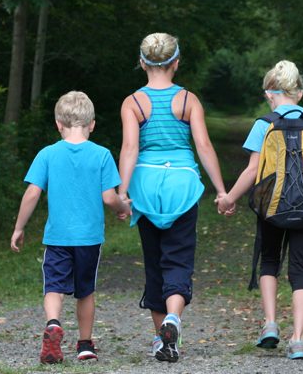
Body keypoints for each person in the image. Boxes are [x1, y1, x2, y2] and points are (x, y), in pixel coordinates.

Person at [117, 32, 228, 363]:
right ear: (176, 63)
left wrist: (123, 193)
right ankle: (173, 320)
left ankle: (163, 340)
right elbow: (204, 146)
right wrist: (221, 190)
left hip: (146, 187)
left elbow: (129, 149)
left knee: (154, 263)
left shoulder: (133, 103)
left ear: (142, 63)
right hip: (182, 185)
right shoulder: (188, 100)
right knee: (178, 259)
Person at [217, 60, 303, 360]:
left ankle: (270, 324)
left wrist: (229, 198)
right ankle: (298, 340)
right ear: (298, 91)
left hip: (271, 208)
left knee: (269, 262)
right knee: (300, 272)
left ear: (270, 93)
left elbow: (252, 170)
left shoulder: (264, 124)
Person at [10, 91, 131, 364]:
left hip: (57, 237)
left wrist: (19, 227)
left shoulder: (47, 154)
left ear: (58, 124)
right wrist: (123, 208)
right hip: (89, 238)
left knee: (53, 286)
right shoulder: (101, 155)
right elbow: (109, 197)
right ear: (92, 124)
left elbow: (32, 193)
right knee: (85, 291)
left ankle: (53, 323)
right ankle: (85, 344)